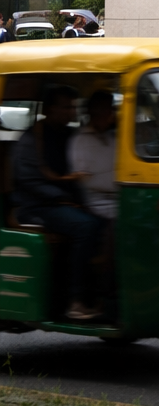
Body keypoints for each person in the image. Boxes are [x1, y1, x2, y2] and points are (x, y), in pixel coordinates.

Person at [13, 86, 104, 320]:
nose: (71, 112)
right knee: (86, 226)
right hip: (37, 206)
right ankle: (76, 300)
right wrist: (64, 199)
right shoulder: (31, 139)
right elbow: (30, 181)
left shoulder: (71, 135)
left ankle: (101, 296)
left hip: (65, 203)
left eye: (74, 107)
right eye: (66, 107)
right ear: (49, 109)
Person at [69, 90, 119, 221]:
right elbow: (85, 180)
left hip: (119, 197)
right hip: (100, 202)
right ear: (95, 112)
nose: (111, 114)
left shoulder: (111, 136)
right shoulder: (81, 140)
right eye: (108, 110)